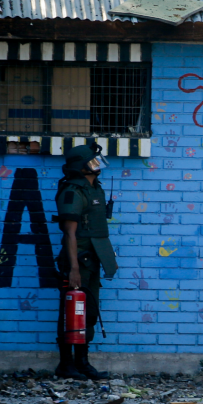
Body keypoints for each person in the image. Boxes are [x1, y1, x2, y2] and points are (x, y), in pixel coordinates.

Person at [53, 144, 116, 381]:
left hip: (92, 261)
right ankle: (66, 364)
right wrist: (74, 270)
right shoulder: (73, 191)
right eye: (92, 161)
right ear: (80, 167)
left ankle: (82, 362)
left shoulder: (94, 189)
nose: (97, 164)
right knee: (71, 312)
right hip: (77, 262)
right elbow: (70, 233)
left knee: (87, 313)